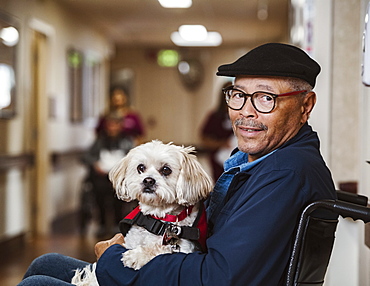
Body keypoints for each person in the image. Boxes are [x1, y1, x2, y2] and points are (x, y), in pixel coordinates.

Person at [18, 43, 337, 286]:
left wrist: (114, 260)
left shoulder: (285, 174)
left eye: (266, 98)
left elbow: (217, 278)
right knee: (45, 264)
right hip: (180, 265)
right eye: (238, 95)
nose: (245, 112)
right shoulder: (264, 162)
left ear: (305, 105)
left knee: (37, 283)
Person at [82, 114, 135, 238]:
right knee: (98, 192)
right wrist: (95, 164)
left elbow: (133, 158)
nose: (113, 128)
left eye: (116, 124)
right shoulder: (99, 141)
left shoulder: (127, 141)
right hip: (101, 177)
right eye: (110, 125)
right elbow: (87, 157)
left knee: (118, 196)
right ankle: (101, 223)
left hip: (119, 178)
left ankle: (118, 222)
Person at [200, 81, 235, 181]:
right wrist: (221, 144)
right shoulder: (215, 116)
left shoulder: (242, 115)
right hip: (219, 161)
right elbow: (204, 138)